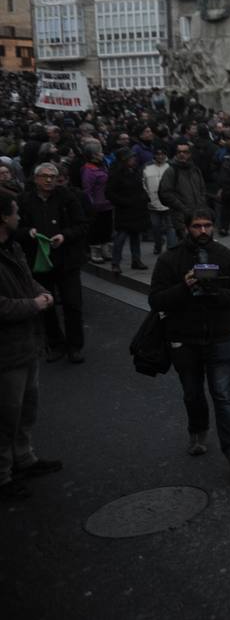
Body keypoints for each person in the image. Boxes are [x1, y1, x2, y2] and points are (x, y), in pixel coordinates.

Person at [148, 208, 230, 472]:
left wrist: (216, 292)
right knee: (193, 393)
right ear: (187, 229)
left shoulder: (227, 257)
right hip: (183, 339)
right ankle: (197, 431)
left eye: (207, 225)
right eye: (197, 226)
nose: (203, 231)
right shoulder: (170, 260)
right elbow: (156, 300)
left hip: (220, 337)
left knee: (224, 394)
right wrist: (184, 287)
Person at [0, 191, 61, 500]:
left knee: (27, 406)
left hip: (27, 343)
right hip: (6, 352)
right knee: (5, 414)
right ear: (3, 218)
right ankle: (2, 474)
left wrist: (42, 293)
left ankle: (24, 457)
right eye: (15, 212)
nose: (20, 217)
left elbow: (27, 280)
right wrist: (35, 304)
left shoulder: (13, 247)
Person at [19, 162, 87, 364]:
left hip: (67, 261)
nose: (49, 180)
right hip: (39, 263)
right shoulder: (25, 200)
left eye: (53, 176)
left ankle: (75, 346)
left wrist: (64, 236)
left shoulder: (67, 198)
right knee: (46, 306)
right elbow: (15, 228)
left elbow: (82, 225)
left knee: (73, 304)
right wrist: (27, 233)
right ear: (36, 178)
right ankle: (55, 343)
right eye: (45, 176)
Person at [105, 148, 150, 274]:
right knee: (120, 238)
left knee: (136, 237)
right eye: (130, 158)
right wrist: (124, 202)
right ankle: (115, 263)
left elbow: (140, 187)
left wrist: (145, 197)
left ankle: (136, 260)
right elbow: (109, 193)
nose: (134, 160)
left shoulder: (135, 171)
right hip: (124, 210)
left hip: (137, 209)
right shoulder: (116, 174)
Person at [159, 138, 209, 239]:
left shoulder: (195, 169)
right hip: (181, 217)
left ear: (189, 154)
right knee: (186, 246)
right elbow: (165, 193)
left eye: (185, 152)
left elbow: (202, 189)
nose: (182, 154)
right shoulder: (171, 171)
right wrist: (182, 207)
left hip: (198, 216)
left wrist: (202, 204)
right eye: (179, 152)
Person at [81, 143, 113, 264]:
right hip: (96, 206)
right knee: (96, 230)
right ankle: (95, 252)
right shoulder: (88, 170)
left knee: (106, 228)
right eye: (100, 152)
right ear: (93, 155)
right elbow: (87, 190)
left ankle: (106, 250)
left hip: (107, 204)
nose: (102, 154)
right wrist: (90, 205)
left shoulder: (104, 165)